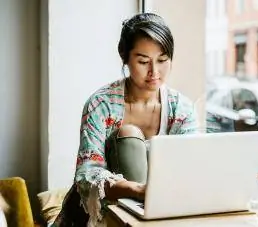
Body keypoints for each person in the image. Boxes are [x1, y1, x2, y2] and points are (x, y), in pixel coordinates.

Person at [52, 13, 198, 227]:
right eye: (143, 61)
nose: (154, 72)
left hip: (156, 215)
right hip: (96, 218)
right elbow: (86, 176)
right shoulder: (100, 104)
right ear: (125, 57)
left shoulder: (182, 108)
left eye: (162, 60)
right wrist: (137, 190)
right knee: (128, 133)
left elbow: (191, 166)